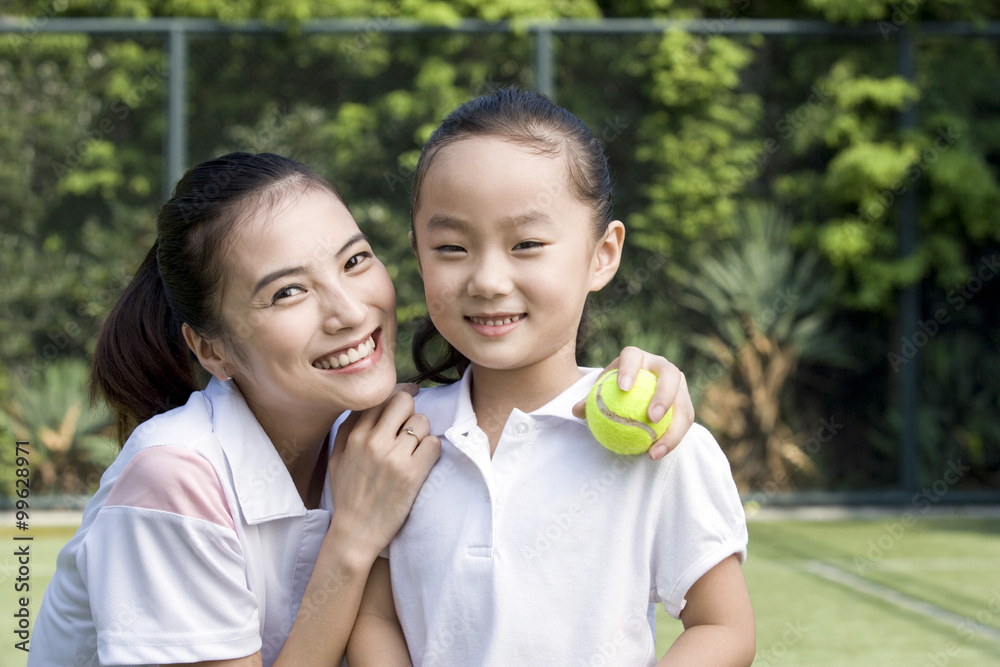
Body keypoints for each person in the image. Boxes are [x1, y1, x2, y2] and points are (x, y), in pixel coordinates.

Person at [29, 152, 696, 666]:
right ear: (211, 348)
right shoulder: (171, 477)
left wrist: (648, 379)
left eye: (354, 260)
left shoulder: (381, 432)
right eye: (287, 292)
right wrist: (352, 539)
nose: (350, 311)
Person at [347, 89, 755, 666]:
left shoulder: (663, 439)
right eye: (451, 246)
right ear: (418, 253)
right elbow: (375, 617)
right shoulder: (393, 440)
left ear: (602, 255)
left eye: (527, 244)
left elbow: (723, 628)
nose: (488, 279)